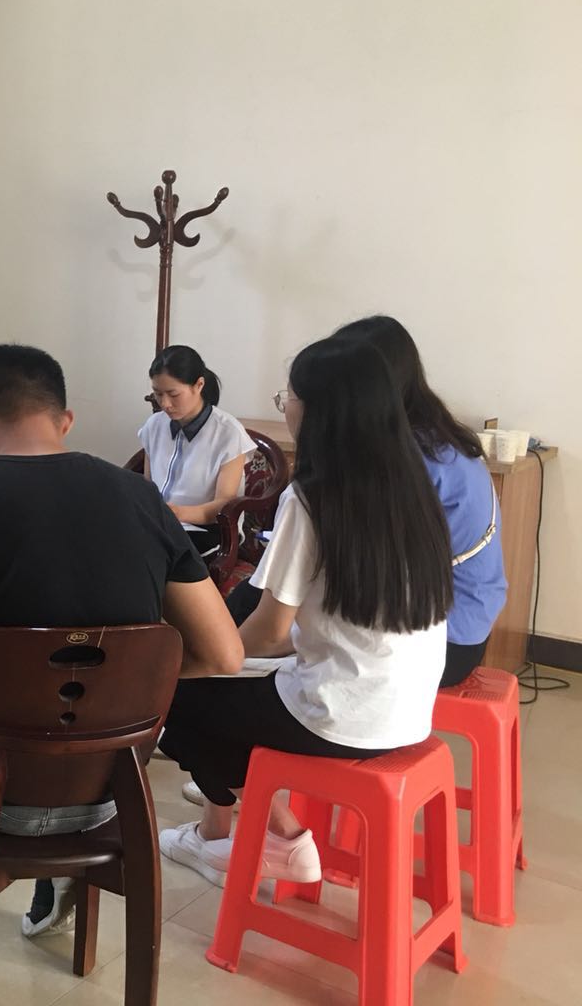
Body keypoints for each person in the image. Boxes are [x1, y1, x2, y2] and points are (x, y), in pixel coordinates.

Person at [0, 344, 243, 946]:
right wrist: (124, 684)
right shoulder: (142, 500)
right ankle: (62, 874)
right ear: (65, 422)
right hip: (108, 788)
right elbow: (224, 655)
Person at [157, 336, 452, 887]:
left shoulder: (313, 497)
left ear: (320, 411)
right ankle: (225, 834)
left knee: (181, 694)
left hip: (338, 715)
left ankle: (281, 837)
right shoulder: (413, 488)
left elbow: (271, 632)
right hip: (408, 710)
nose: (285, 407)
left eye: (287, 397)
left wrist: (205, 654)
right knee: (228, 687)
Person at [333, 315, 507, 687]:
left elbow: (367, 563)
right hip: (464, 629)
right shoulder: (434, 436)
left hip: (440, 643)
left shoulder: (410, 458)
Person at [139, 345, 256, 556]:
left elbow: (224, 504)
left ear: (199, 385)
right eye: (158, 394)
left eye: (173, 394)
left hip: (207, 529)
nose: (165, 404)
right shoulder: (154, 425)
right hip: (161, 523)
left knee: (146, 555)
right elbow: (148, 485)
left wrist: (178, 513)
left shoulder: (228, 433)